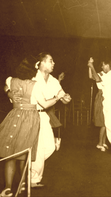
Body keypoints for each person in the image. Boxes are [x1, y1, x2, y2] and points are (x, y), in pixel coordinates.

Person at [0, 56, 65, 197]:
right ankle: (25, 183)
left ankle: (8, 188)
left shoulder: (12, 80)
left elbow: (6, 85)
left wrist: (9, 93)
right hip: (29, 119)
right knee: (25, 153)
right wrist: (58, 97)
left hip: (14, 117)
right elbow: (45, 104)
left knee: (11, 154)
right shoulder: (35, 85)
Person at [30, 52, 72, 188]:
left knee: (50, 147)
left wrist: (66, 98)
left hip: (44, 116)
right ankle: (33, 178)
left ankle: (29, 169)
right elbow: (44, 102)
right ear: (41, 63)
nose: (53, 63)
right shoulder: (32, 78)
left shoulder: (53, 80)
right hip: (32, 116)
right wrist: (59, 98)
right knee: (39, 149)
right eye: (50, 61)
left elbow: (63, 97)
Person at [88, 58, 111, 144]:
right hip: (106, 102)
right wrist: (90, 65)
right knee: (107, 125)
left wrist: (92, 66)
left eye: (103, 65)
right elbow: (91, 76)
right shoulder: (105, 75)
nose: (102, 67)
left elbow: (98, 79)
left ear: (107, 65)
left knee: (109, 124)